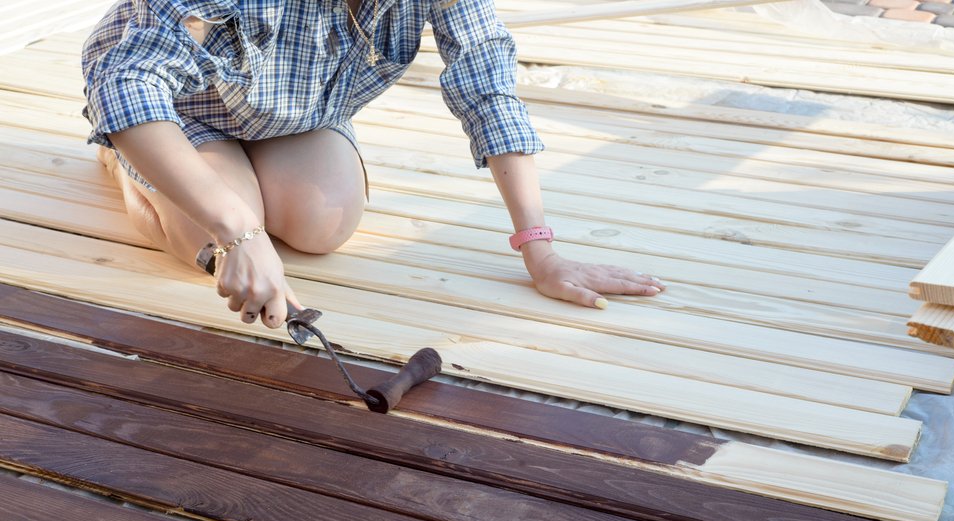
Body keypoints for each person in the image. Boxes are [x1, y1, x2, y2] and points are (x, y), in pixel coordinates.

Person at [82, 0, 663, 329]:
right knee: (210, 242)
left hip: (297, 109)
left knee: (322, 224)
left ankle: (239, 179)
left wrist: (541, 249)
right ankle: (125, 156)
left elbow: (486, 82)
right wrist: (237, 229)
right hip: (182, 106)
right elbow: (127, 79)